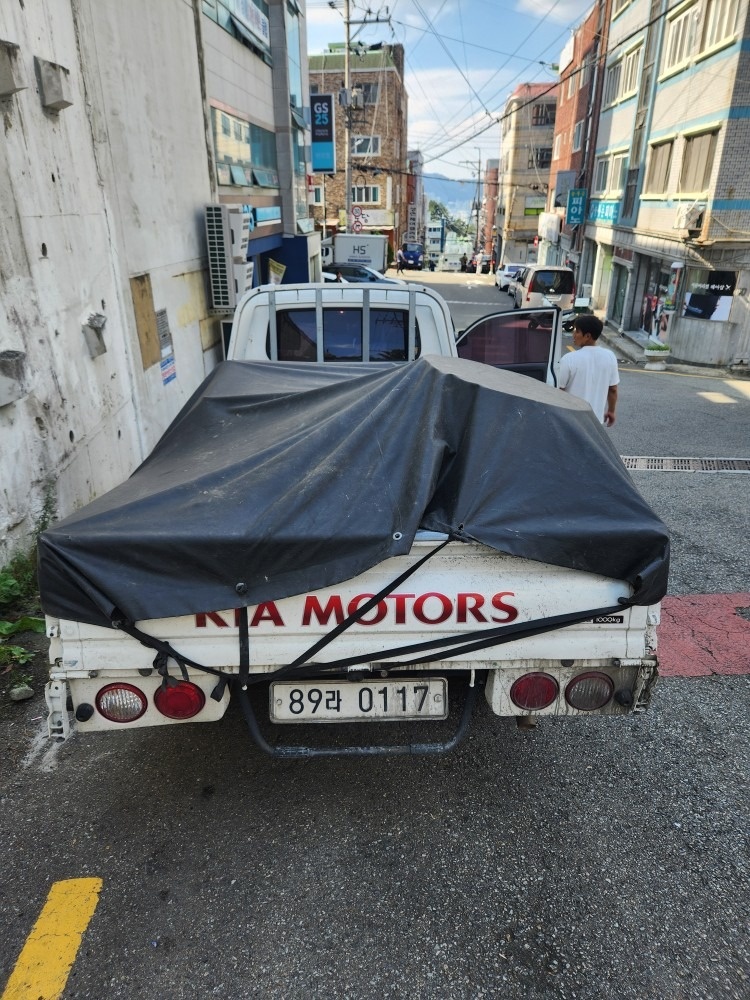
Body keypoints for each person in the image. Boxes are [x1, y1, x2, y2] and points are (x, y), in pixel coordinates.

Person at [558, 314, 619, 426]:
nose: (574, 334)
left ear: (587, 336)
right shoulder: (610, 356)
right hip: (595, 423)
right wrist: (611, 411)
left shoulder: (569, 359)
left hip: (570, 421)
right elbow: (613, 389)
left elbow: (558, 391)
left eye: (577, 331)